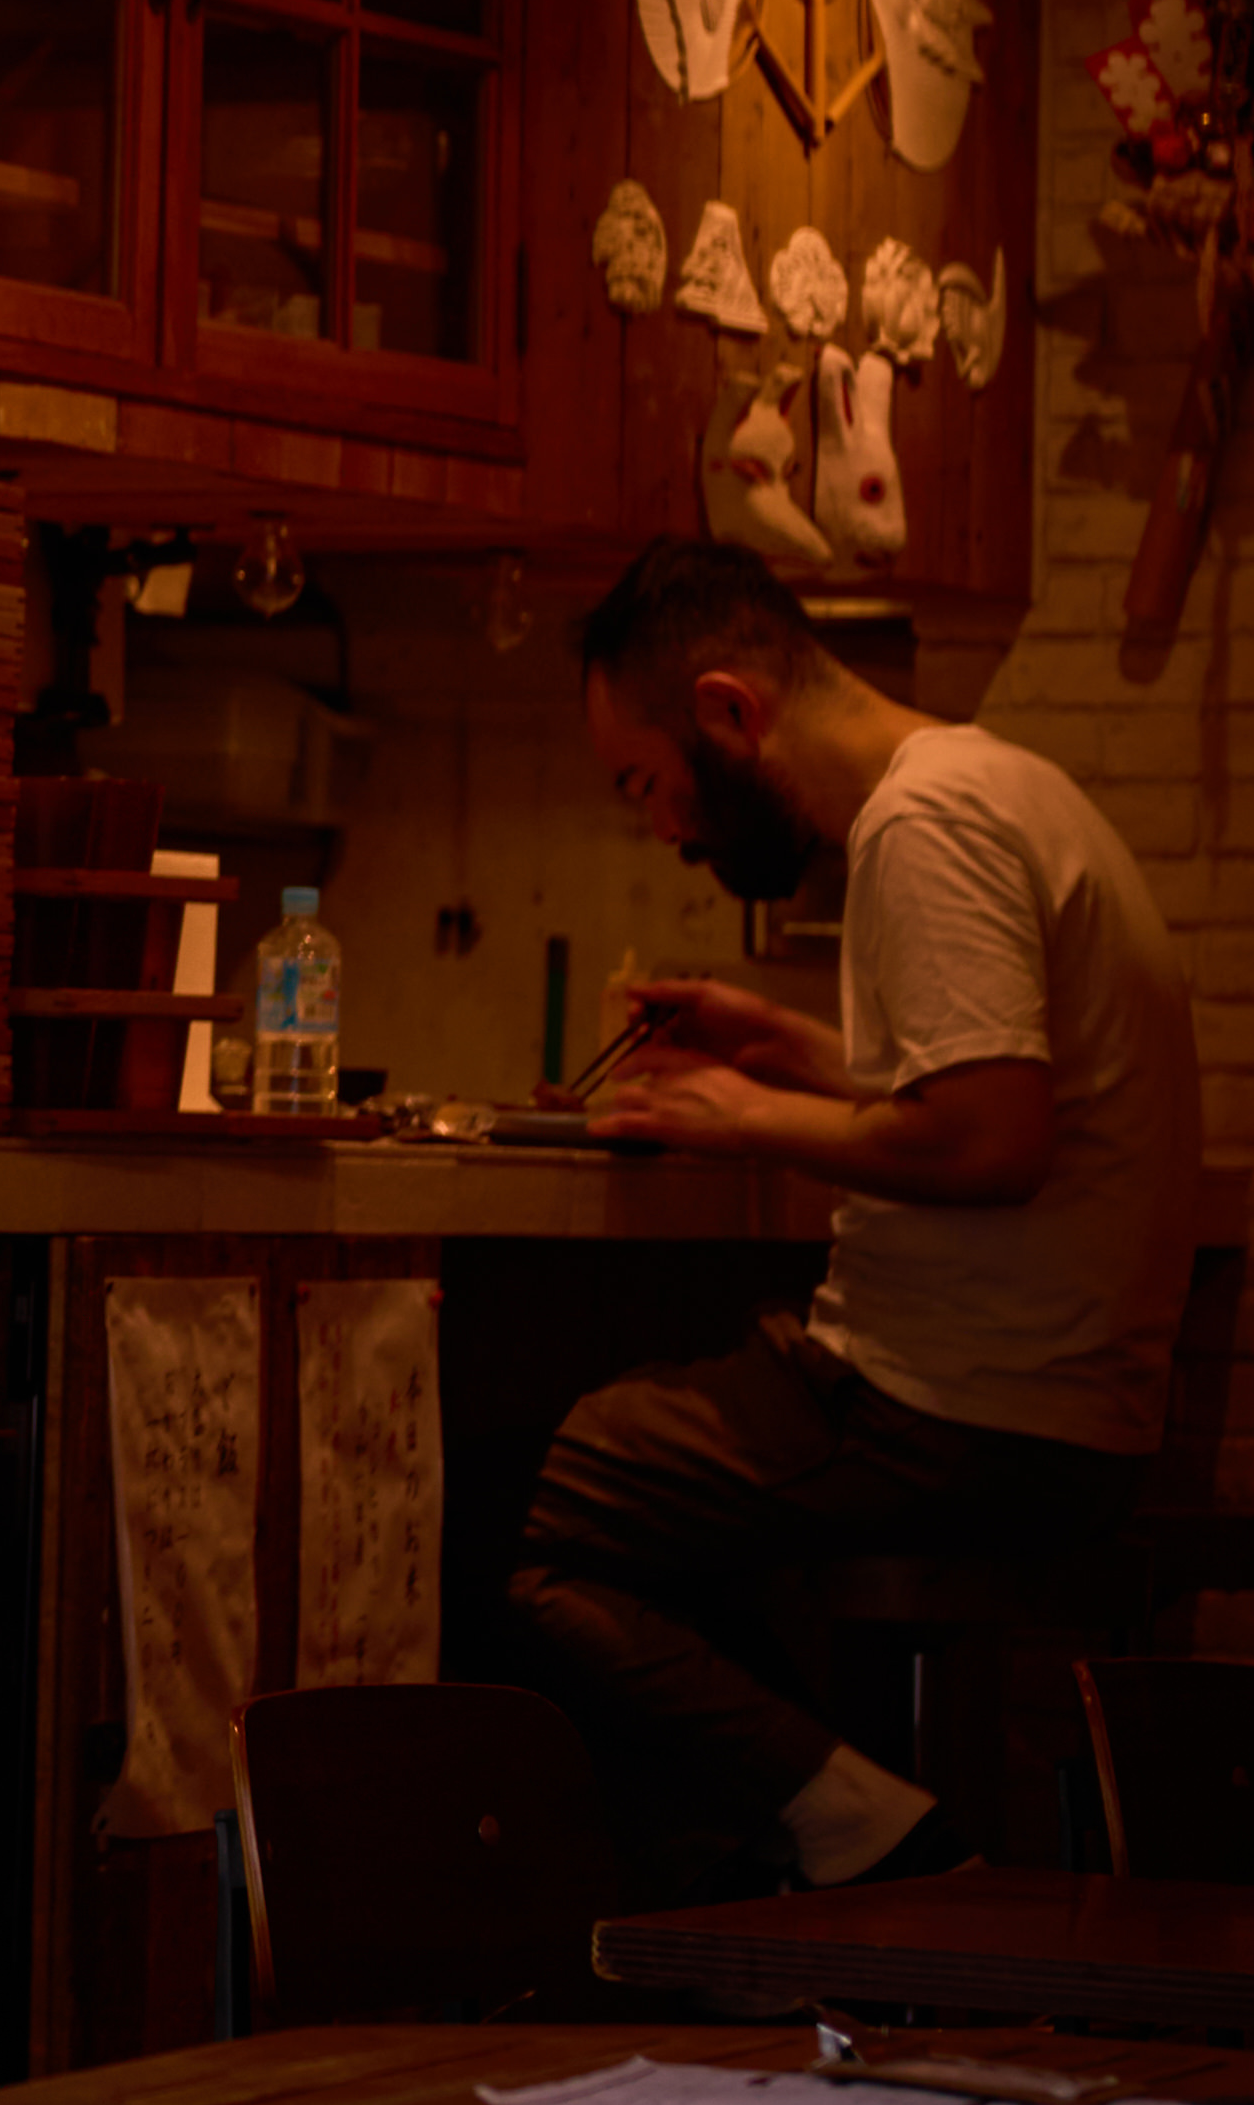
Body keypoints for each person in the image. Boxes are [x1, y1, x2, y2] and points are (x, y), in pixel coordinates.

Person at [510, 539, 1201, 1889]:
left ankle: (853, 1831)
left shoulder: (918, 827)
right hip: (1066, 1404)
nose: (667, 829)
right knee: (665, 1497)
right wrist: (788, 1048)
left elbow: (993, 1138)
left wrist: (739, 1115)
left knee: (543, 1504)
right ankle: (818, 1836)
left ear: (727, 712)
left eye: (646, 783)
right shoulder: (1002, 783)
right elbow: (985, 1085)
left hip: (962, 1409)